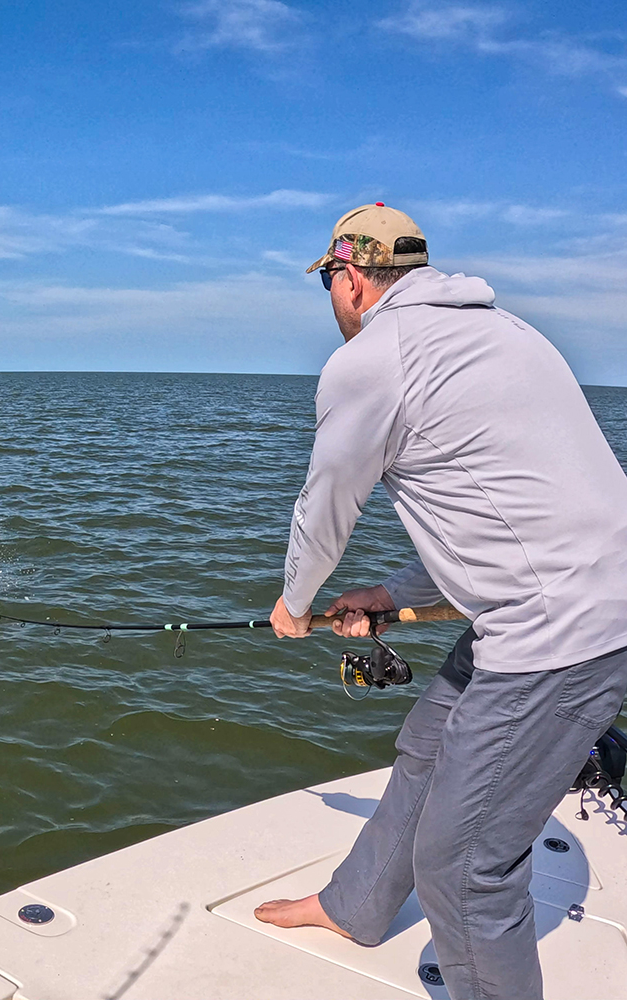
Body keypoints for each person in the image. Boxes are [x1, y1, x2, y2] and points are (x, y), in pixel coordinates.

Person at [252, 203, 627, 1000]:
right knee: (430, 741)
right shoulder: (508, 335)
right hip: (565, 602)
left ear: (349, 278)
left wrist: (295, 603)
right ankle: (356, 906)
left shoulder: (372, 360)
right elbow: (504, 517)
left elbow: (325, 508)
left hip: (563, 635)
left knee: (463, 870)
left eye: (328, 281)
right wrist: (390, 594)